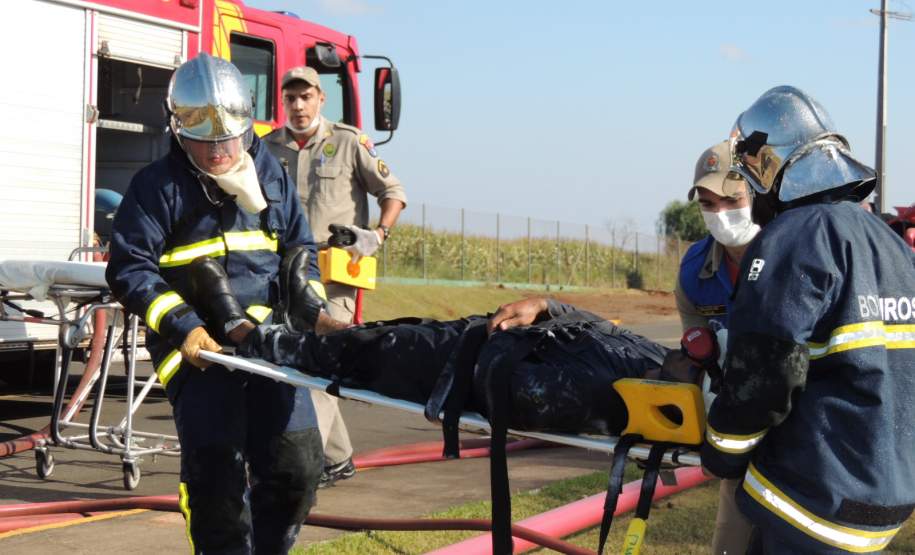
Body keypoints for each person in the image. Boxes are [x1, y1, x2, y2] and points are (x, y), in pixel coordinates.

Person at [105, 53, 331, 554]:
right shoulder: (155, 188)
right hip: (200, 355)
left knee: (298, 467)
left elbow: (300, 250)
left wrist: (311, 308)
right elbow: (129, 269)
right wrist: (183, 326)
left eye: (229, 141)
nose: (218, 154)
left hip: (269, 348)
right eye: (204, 144)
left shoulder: (269, 173)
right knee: (216, 479)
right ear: (178, 130)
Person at [701, 85, 915, 554]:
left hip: (812, 506)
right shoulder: (890, 245)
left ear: (769, 168)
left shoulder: (793, 238)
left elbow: (765, 373)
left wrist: (720, 451)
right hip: (882, 502)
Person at [264, 66, 408, 487]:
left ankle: (308, 467)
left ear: (321, 99)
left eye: (305, 97)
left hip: (335, 273)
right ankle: (338, 458)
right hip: (287, 273)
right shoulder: (269, 148)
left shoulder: (348, 142)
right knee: (299, 365)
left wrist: (376, 234)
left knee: (320, 364)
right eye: (291, 98)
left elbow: (393, 192)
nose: (298, 105)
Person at [675, 141, 760, 554]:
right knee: (731, 538)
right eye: (709, 203)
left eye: (733, 199)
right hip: (733, 415)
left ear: (757, 196)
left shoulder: (791, 255)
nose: (721, 214)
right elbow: (697, 341)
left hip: (799, 418)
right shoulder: (694, 271)